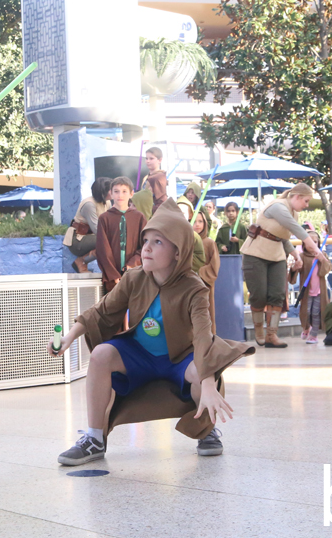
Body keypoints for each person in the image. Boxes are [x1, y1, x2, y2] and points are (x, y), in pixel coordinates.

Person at [53, 199, 252, 465]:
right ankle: (94, 439)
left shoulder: (194, 288)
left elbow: (204, 337)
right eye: (146, 240)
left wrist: (207, 383)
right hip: (140, 355)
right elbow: (100, 312)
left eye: (158, 242)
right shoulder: (134, 278)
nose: (146, 248)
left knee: (201, 371)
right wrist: (68, 336)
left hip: (180, 357)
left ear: (178, 252)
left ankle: (206, 430)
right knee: (101, 354)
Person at [240, 183, 323, 348]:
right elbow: (296, 230)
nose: (306, 206)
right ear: (297, 196)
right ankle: (259, 330)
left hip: (277, 255)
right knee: (259, 294)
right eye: (306, 201)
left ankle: (272, 334)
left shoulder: (293, 212)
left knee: (278, 294)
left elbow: (281, 236)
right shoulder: (278, 206)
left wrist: (294, 254)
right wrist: (315, 249)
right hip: (256, 254)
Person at [95, 176, 145, 293]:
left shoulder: (139, 218)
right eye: (116, 192)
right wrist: (112, 274)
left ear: (131, 194)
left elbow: (145, 245)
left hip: (134, 273)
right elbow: (103, 249)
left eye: (124, 191)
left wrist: (132, 264)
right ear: (111, 194)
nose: (120, 195)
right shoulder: (104, 218)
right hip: (112, 277)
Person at [67, 177, 111, 273]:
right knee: (108, 240)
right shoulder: (89, 204)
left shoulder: (107, 203)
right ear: (104, 191)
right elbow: (97, 229)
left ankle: (83, 261)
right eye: (111, 189)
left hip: (91, 236)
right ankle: (81, 261)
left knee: (112, 240)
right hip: (78, 239)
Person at [192, 208, 221, 327]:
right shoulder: (185, 242)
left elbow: (214, 266)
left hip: (204, 284)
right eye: (194, 221)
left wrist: (199, 272)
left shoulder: (209, 243)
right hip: (187, 284)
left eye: (200, 221)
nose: (197, 225)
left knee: (205, 314)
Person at [131, 146, 168, 218]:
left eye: (151, 158)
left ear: (159, 160)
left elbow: (161, 201)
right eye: (146, 158)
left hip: (151, 216)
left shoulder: (158, 178)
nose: (148, 161)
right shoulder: (146, 177)